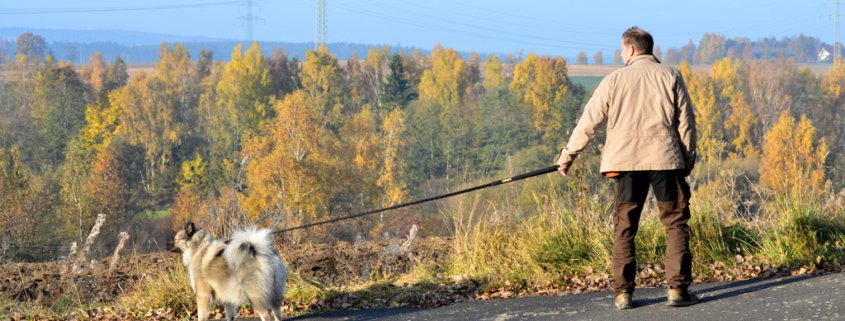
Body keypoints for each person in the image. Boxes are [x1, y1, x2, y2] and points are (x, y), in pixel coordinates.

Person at [555, 26, 697, 310]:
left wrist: (568, 155)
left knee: (625, 227)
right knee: (675, 224)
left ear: (631, 49)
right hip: (665, 161)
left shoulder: (613, 80)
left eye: (622, 49)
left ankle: (623, 293)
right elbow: (686, 124)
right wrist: (686, 160)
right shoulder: (670, 75)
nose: (621, 54)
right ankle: (677, 290)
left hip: (625, 164)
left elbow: (589, 122)